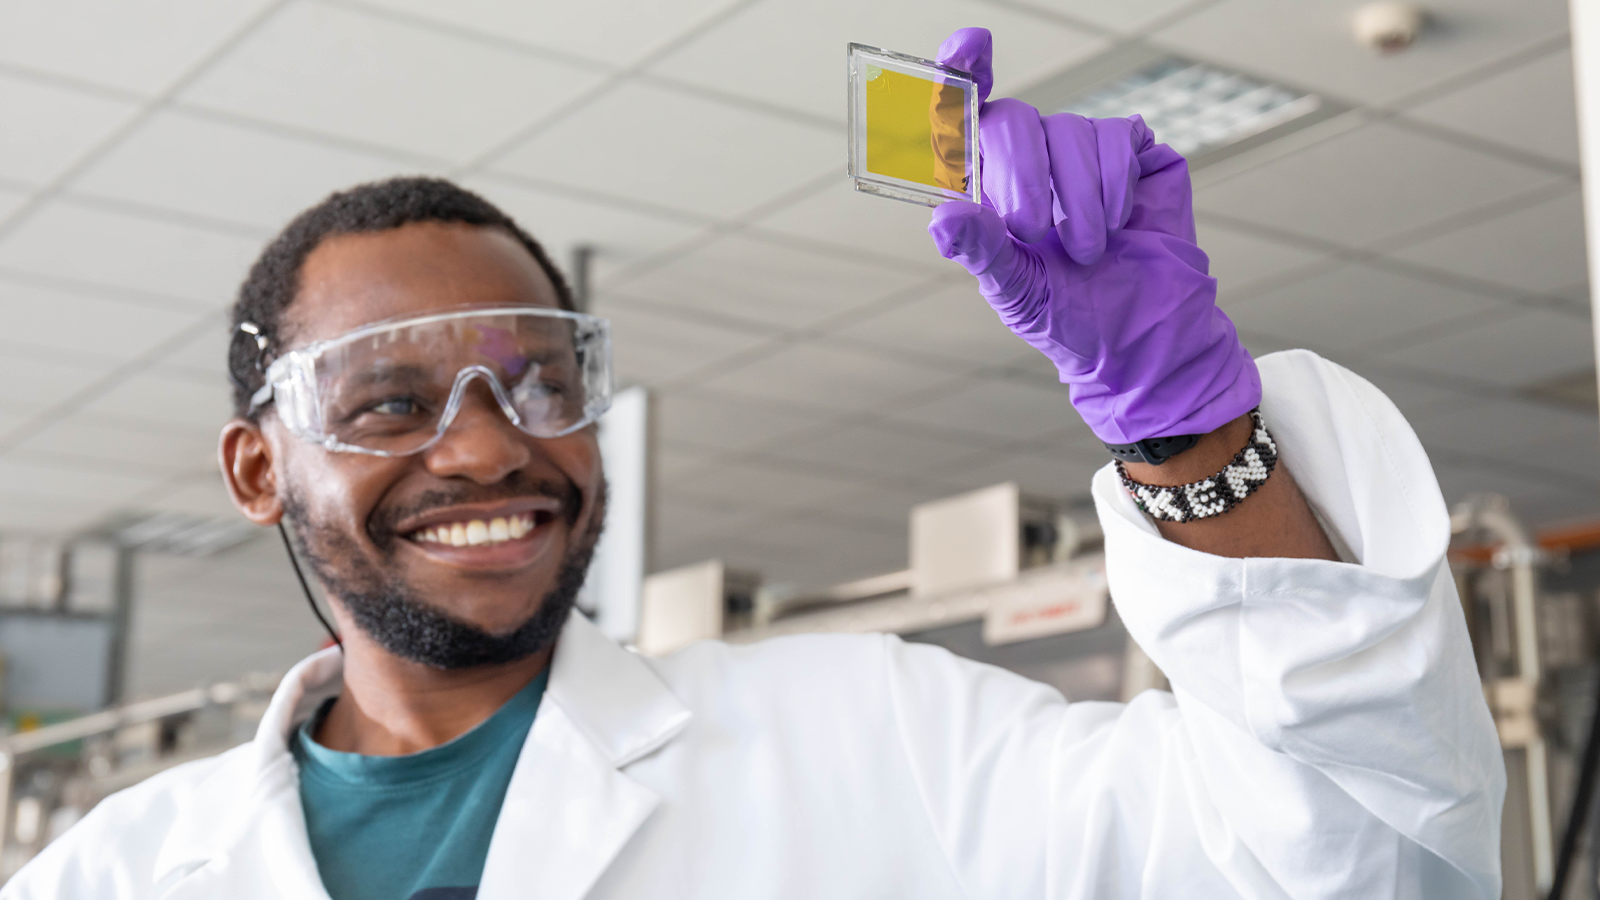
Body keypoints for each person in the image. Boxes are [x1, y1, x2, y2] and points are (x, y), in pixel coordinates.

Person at [3, 28, 1502, 900]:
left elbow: (1363, 860)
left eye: (538, 380)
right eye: (386, 405)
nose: (484, 443)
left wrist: (1190, 422)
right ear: (256, 469)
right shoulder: (115, 876)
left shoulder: (878, 739)